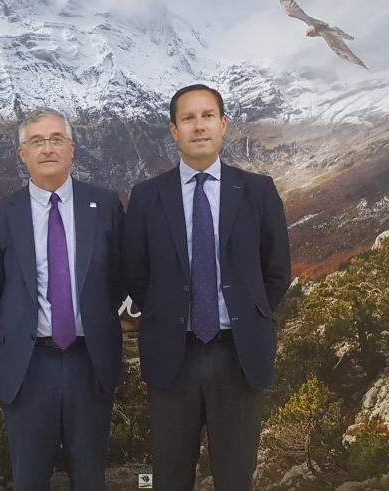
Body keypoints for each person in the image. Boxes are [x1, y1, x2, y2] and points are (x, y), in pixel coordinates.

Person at [123, 84, 291, 490]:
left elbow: (276, 270)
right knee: (170, 476)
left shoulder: (258, 191)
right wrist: (167, 316)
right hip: (172, 355)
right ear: (174, 130)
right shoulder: (147, 197)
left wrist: (247, 317)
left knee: (235, 477)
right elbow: (134, 273)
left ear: (223, 124)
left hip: (237, 355)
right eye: (188, 118)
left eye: (207, 116)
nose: (199, 126)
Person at [0, 107, 125, 490]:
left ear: (72, 149)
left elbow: (120, 278)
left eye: (56, 139)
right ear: (22, 153)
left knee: (90, 476)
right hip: (29, 366)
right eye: (37, 141)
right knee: (28, 478)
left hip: (89, 362)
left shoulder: (105, 205)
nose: (47, 149)